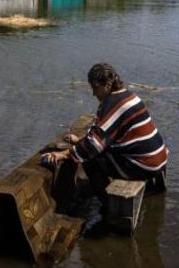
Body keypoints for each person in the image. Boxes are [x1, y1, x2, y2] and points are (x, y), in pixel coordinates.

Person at [42, 63, 168, 200]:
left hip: (145, 165)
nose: (93, 93)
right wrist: (79, 141)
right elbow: (108, 134)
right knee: (95, 149)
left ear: (108, 84)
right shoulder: (129, 96)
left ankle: (108, 205)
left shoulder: (112, 104)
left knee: (90, 159)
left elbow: (93, 145)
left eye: (95, 88)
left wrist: (63, 154)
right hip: (158, 158)